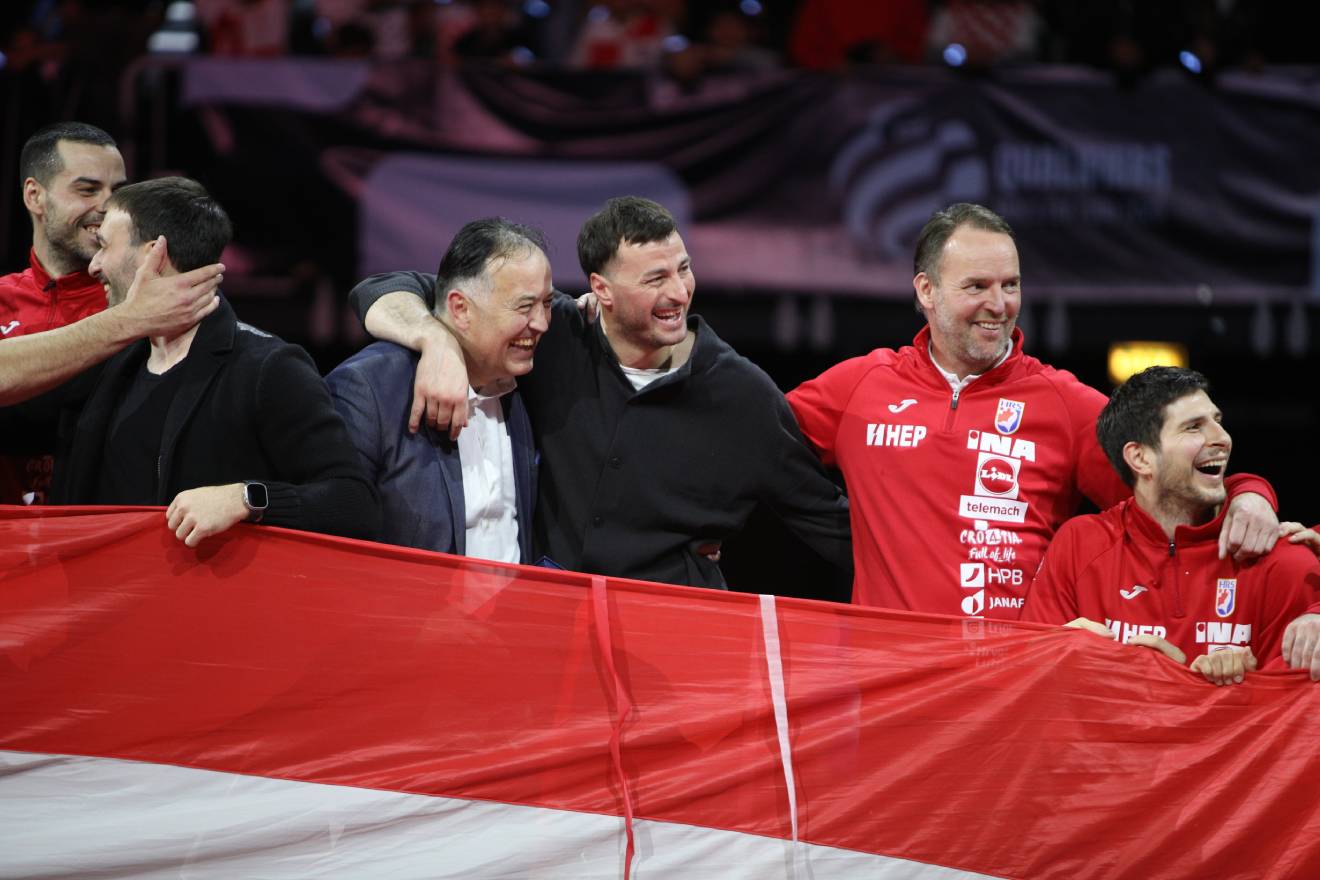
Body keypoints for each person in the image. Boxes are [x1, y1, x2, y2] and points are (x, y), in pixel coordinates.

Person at [786, 203, 1277, 616]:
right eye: (976, 286)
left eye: (1011, 285)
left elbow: (1176, 491)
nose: (999, 304)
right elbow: (754, 434)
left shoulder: (1065, 404)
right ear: (926, 290)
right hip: (894, 683)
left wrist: (1250, 495)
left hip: (1016, 682)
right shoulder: (861, 386)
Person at [347, 196, 851, 589]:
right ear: (601, 290)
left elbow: (831, 525)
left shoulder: (743, 394)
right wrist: (435, 340)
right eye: (655, 279)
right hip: (546, 642)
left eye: (683, 269)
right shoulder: (549, 336)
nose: (679, 293)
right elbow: (387, 289)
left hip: (669, 647)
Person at [1, 177, 377, 546]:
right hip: (96, 587)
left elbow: (353, 503)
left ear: (153, 254)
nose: (94, 265)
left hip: (204, 589)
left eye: (103, 246)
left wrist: (247, 498)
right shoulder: (104, 364)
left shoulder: (269, 368)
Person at [1021, 367, 1320, 686]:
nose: (1222, 439)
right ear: (1140, 458)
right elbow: (1032, 682)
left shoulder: (1281, 560)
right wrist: (1066, 657)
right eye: (1194, 427)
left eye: (1217, 421)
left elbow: (1294, 708)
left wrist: (1192, 684)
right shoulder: (1079, 547)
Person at [0, 122, 222, 501]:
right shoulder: (140, 311)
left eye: (118, 191)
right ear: (35, 196)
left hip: (106, 530)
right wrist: (129, 320)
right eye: (87, 189)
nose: (106, 205)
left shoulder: (158, 300)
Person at [326, 219, 549, 562]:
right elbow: (333, 542)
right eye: (524, 307)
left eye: (547, 303)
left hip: (517, 597)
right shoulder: (368, 390)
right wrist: (434, 338)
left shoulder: (526, 377)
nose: (542, 323)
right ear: (460, 309)